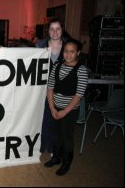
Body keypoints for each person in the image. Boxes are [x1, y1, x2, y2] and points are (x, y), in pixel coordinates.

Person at [44, 39, 88, 176]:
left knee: (66, 136)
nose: (68, 54)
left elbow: (78, 95)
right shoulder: (57, 66)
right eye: (66, 51)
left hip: (70, 111)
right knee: (56, 135)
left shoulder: (81, 70)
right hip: (55, 108)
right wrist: (52, 108)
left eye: (72, 51)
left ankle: (66, 163)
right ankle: (56, 158)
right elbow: (50, 87)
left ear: (78, 53)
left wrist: (64, 112)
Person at [36, 18, 69, 154]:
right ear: (47, 31)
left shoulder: (68, 46)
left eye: (58, 29)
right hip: (42, 89)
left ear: (62, 30)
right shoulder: (40, 45)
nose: (55, 32)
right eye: (52, 29)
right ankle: (44, 146)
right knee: (44, 118)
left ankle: (54, 147)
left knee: (58, 120)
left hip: (61, 90)